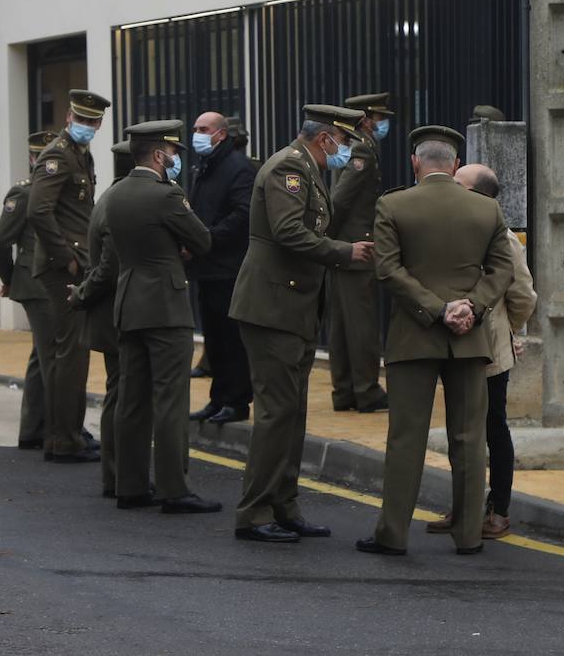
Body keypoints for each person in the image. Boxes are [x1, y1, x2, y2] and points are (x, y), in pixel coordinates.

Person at [357, 126, 516, 556]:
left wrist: (436, 309)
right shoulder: (486, 210)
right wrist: (471, 307)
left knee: (406, 436)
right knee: (469, 438)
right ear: (456, 165)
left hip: (414, 333)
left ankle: (392, 534)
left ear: (415, 162)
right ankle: (468, 535)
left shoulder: (393, 204)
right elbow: (503, 272)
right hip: (469, 338)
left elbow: (388, 270)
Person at [229, 105, 374, 543]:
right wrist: (344, 252)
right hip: (272, 306)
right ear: (325, 137)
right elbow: (289, 230)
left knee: (292, 414)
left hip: (294, 306)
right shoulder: (288, 168)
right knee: (276, 413)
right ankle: (254, 513)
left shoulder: (309, 169)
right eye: (344, 142)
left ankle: (284, 504)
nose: (346, 151)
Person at [105, 120, 218, 514]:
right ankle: (174, 489)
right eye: (172, 154)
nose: (174, 161)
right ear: (158, 155)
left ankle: (130, 486)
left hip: (129, 302)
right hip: (166, 307)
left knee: (131, 400)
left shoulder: (115, 195)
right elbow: (201, 239)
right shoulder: (167, 195)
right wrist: (178, 248)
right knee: (169, 400)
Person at [423, 163, 537, 540]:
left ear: (479, 196)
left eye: (460, 186)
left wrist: (508, 330)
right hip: (454, 346)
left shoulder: (502, 238)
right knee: (460, 429)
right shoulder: (452, 229)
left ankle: (498, 509)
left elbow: (523, 295)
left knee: (492, 428)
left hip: (489, 349)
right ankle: (464, 506)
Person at [27, 89, 111, 464]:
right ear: (68, 117)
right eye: (82, 120)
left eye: (93, 122)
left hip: (77, 263)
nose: (87, 127)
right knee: (70, 354)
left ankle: (69, 434)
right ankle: (63, 441)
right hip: (64, 268)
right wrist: (69, 260)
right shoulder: (58, 155)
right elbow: (38, 212)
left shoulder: (80, 154)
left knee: (72, 354)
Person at [68, 139, 132, 499]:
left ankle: (116, 474)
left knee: (118, 392)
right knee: (121, 394)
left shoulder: (108, 198)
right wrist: (81, 295)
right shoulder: (116, 205)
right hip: (114, 311)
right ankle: (118, 475)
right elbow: (109, 268)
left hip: (109, 309)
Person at [186, 110, 257, 425]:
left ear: (221, 134)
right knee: (213, 338)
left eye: (204, 129)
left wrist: (207, 238)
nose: (197, 134)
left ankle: (237, 401)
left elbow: (243, 214)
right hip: (207, 266)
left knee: (232, 339)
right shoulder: (206, 165)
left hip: (229, 267)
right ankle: (218, 398)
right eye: (196, 128)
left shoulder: (238, 168)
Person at [327, 92, 396, 413]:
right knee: (361, 325)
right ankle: (366, 391)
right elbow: (340, 200)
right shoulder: (362, 150)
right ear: (366, 119)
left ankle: (344, 392)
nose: (382, 124)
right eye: (380, 118)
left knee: (342, 324)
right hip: (357, 247)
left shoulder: (350, 148)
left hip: (343, 245)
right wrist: (330, 235)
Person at [0, 130, 59, 452]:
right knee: (56, 358)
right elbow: (0, 243)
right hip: (38, 283)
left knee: (41, 355)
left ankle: (33, 429)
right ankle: (62, 432)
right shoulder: (24, 193)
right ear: (35, 159)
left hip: (50, 282)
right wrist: (10, 277)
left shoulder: (60, 191)